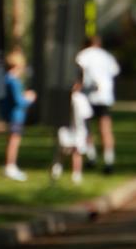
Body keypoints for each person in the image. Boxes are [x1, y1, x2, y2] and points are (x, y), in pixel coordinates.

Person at [75, 34, 121, 172]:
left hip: (88, 95)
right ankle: (109, 160)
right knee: (105, 128)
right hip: (105, 96)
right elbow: (114, 71)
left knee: (87, 127)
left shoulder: (84, 55)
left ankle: (92, 157)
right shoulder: (107, 56)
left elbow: (79, 71)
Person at [1, 50, 36, 180]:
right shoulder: (13, 81)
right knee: (14, 141)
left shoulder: (6, 79)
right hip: (16, 116)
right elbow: (19, 101)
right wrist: (29, 98)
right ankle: (11, 166)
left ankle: (9, 165)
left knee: (12, 140)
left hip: (10, 115)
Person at [51, 85, 94, 183]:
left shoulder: (68, 98)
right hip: (70, 129)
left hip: (75, 129)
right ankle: (61, 172)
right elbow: (87, 117)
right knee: (68, 151)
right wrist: (89, 132)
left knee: (71, 151)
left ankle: (73, 174)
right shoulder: (79, 98)